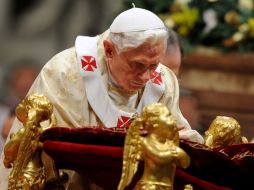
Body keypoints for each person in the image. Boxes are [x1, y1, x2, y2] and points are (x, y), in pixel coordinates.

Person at [0, 7, 204, 189]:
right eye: (138, 65)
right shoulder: (65, 73)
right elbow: (49, 145)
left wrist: (182, 141)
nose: (146, 77)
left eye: (154, 65)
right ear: (109, 50)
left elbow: (184, 137)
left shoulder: (164, 80)